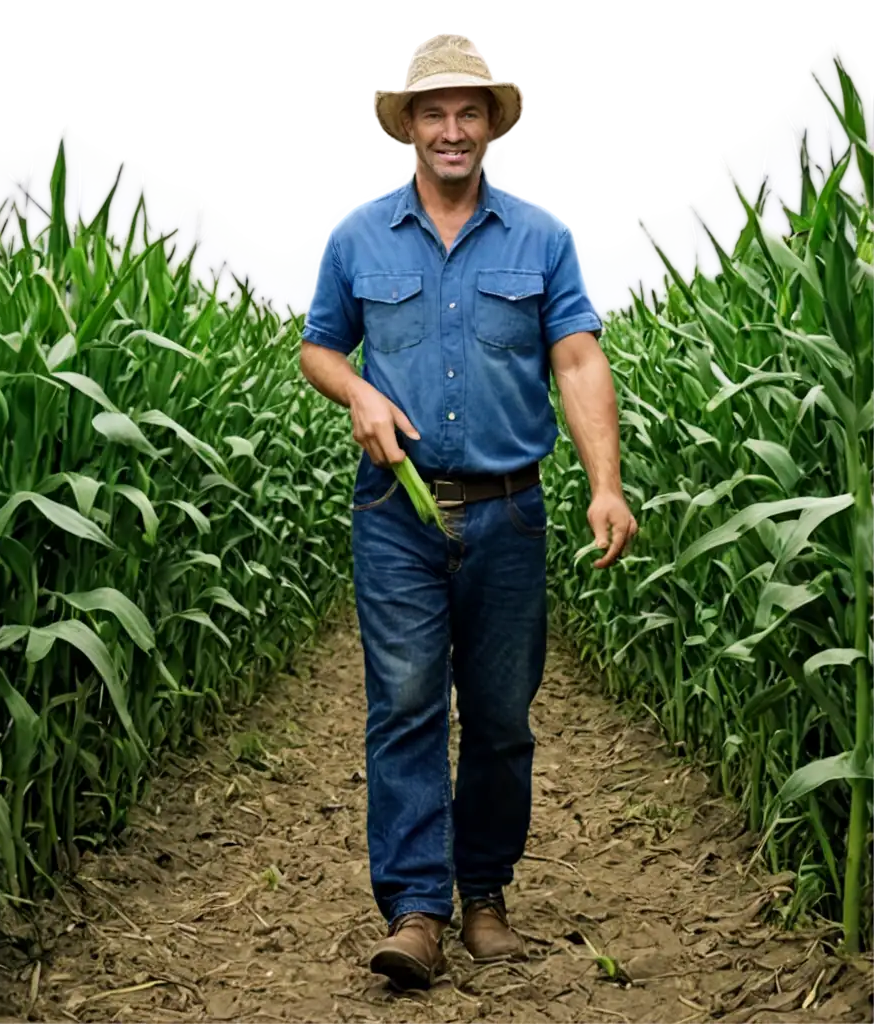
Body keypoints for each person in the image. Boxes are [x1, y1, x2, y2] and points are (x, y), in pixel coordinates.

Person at [298, 31, 638, 991]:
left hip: (508, 514)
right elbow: (319, 346)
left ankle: (484, 890)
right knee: (404, 708)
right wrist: (356, 392)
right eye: (434, 111)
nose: (452, 129)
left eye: (470, 111)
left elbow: (577, 359)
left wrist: (604, 482)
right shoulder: (359, 237)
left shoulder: (541, 238)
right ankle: (416, 911)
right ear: (406, 124)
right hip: (395, 514)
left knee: (498, 718)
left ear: (492, 124)